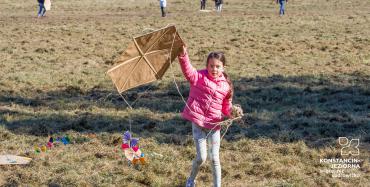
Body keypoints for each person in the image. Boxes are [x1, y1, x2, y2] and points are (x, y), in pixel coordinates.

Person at [177, 46, 243, 187]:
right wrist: (183, 55)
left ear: (223, 67)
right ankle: (190, 180)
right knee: (201, 157)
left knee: (214, 159)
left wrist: (232, 111)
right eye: (211, 66)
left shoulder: (226, 86)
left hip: (214, 126)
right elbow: (188, 70)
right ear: (207, 66)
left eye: (218, 66)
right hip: (198, 125)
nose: (214, 69)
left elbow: (226, 107)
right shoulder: (198, 77)